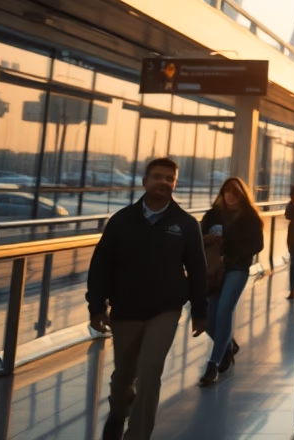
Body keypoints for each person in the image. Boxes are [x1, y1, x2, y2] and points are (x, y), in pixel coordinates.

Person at [87, 158, 207, 440]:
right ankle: (118, 413)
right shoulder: (121, 221)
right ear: (145, 181)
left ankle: (137, 435)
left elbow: (198, 270)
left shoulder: (185, 224)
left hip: (165, 310)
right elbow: (100, 265)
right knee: (124, 378)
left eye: (170, 178)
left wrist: (201, 311)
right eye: (158, 177)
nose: (164, 182)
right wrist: (96, 307)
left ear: (175, 184)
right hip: (125, 310)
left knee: (150, 374)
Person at [199, 177, 264, 385]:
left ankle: (213, 364)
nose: (230, 196)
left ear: (242, 195)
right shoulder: (213, 215)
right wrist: (208, 240)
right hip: (213, 271)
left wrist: (232, 254)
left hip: (237, 267)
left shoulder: (250, 217)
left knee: (225, 310)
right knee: (210, 318)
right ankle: (227, 346)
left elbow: (257, 244)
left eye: (235, 193)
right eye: (227, 192)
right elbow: (198, 237)